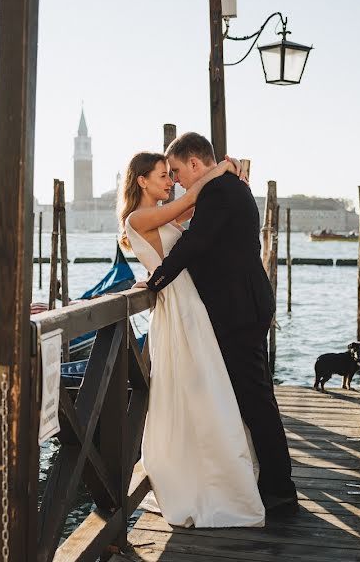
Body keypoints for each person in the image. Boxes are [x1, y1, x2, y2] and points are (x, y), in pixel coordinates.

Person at [137, 132, 299, 516]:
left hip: (239, 311)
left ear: (195, 164)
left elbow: (195, 244)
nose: (175, 179)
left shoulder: (220, 192)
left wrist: (156, 280)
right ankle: (268, 481)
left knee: (256, 400)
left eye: (176, 170)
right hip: (245, 305)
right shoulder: (227, 187)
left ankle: (280, 490)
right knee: (252, 398)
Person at [121, 150, 266, 528]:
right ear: (142, 181)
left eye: (172, 174)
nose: (170, 182)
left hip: (188, 303)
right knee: (200, 389)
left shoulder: (156, 214)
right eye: (162, 175)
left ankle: (215, 473)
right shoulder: (138, 216)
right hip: (180, 307)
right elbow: (189, 201)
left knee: (208, 389)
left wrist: (227, 173)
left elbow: (195, 209)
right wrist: (222, 168)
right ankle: (206, 478)